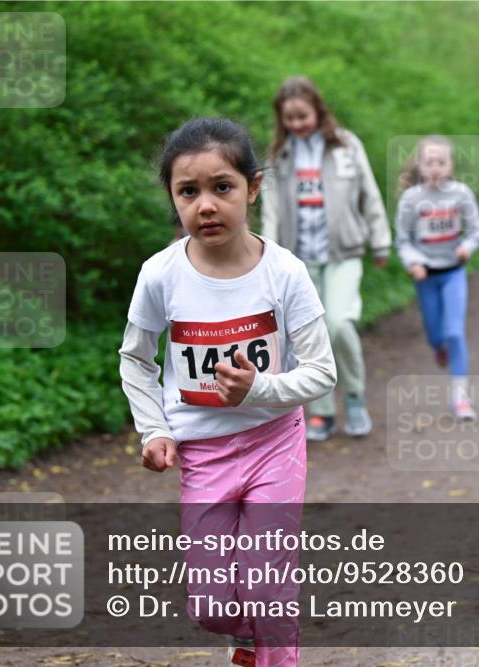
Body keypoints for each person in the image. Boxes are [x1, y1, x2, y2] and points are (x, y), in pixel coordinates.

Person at [119, 117, 337, 667]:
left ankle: (275, 649)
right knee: (210, 606)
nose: (206, 205)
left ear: (253, 187)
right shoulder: (160, 275)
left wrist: (259, 388)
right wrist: (154, 428)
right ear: (173, 198)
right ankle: (247, 635)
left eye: (223, 187)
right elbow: (135, 359)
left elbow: (322, 372)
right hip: (203, 454)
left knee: (268, 582)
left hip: (274, 444)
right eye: (188, 192)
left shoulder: (285, 274)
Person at [261, 76, 391, 442]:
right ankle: (320, 411)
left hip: (344, 252)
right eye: (290, 119)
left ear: (318, 110)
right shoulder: (279, 156)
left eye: (303, 116)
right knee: (307, 336)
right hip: (299, 260)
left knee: (337, 323)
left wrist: (381, 241)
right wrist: (268, 257)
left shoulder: (347, 146)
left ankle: (353, 396)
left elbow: (369, 193)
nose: (297, 124)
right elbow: (270, 211)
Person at [395, 136, 479, 420]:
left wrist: (466, 247)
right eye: (429, 162)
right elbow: (403, 239)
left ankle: (460, 397)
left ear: (450, 165)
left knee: (455, 332)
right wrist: (413, 262)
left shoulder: (461, 194)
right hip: (426, 278)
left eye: (441, 162)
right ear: (420, 165)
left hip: (453, 273)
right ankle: (438, 348)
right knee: (436, 336)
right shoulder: (412, 199)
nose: (435, 167)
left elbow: (477, 231)